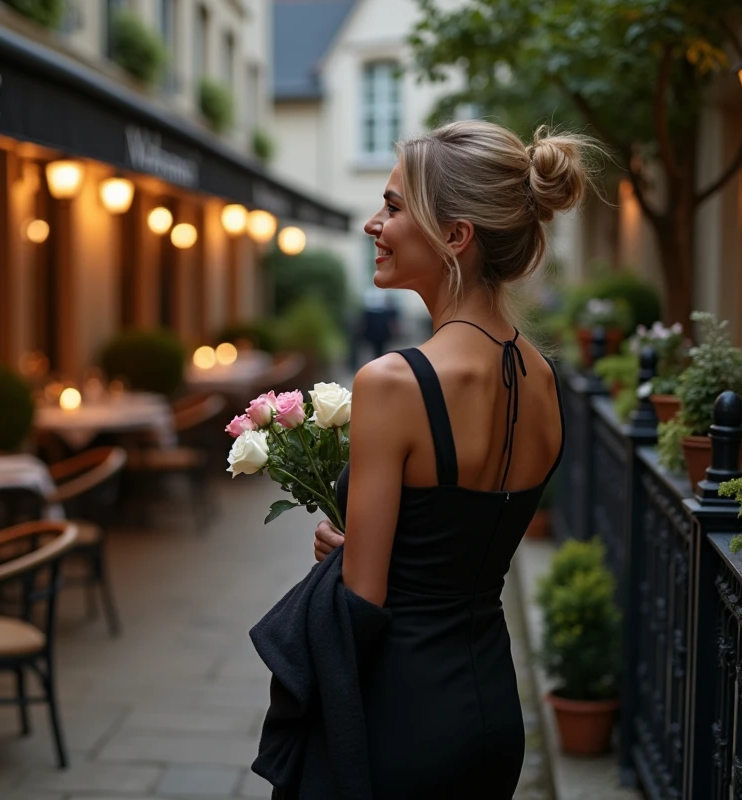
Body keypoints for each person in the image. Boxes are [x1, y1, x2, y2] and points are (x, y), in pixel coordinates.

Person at [256, 120, 597, 799]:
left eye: (391, 205)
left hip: (399, 713)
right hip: (492, 709)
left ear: (455, 235)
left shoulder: (394, 382)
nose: (371, 225)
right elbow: (455, 541)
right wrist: (362, 548)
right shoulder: (541, 378)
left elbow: (365, 600)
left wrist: (350, 563)